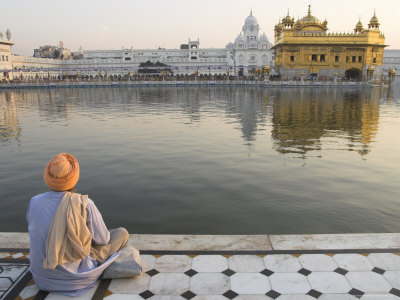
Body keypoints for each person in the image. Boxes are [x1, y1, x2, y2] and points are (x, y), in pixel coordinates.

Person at [26, 153, 129, 296]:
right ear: (74, 178)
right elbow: (103, 240)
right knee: (121, 233)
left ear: (48, 177)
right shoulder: (84, 203)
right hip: (76, 279)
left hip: (42, 278)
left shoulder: (35, 202)